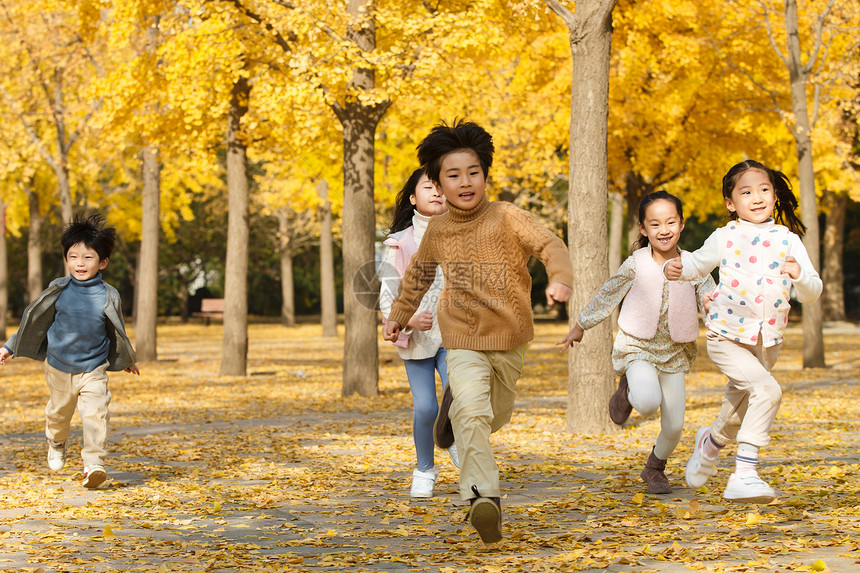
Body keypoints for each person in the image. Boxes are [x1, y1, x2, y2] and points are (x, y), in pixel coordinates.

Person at [382, 119, 573, 544]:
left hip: (511, 336)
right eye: (453, 175)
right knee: (472, 413)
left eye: (473, 172)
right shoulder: (438, 231)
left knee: (492, 416)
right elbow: (417, 277)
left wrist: (559, 278)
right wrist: (398, 314)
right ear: (437, 182)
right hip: (462, 337)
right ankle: (483, 498)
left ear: (485, 175)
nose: (465, 182)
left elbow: (550, 245)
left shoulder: (507, 216)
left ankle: (457, 415)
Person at [664, 160, 822, 504]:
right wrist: (677, 266)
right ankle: (745, 474)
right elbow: (697, 263)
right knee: (767, 391)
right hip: (726, 335)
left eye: (764, 190)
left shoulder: (788, 240)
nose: (757, 197)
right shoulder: (725, 236)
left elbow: (812, 292)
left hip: (768, 341)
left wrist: (799, 276)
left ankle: (711, 441)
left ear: (775, 195)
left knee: (742, 402)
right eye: (746, 192)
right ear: (730, 202)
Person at [557, 191, 715, 494]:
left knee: (674, 426)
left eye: (671, 222)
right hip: (637, 347)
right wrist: (581, 325)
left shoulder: (694, 265)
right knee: (646, 401)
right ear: (643, 229)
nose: (664, 230)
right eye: (655, 224)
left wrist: (719, 317)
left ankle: (654, 468)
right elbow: (608, 294)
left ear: (682, 224)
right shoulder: (636, 264)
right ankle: (627, 387)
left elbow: (712, 301)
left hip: (674, 352)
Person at [0, 213, 139, 489]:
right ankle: (56, 442)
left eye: (88, 257)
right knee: (59, 414)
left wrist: (126, 358)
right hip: (59, 366)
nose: (80, 263)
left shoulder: (109, 294)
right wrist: (9, 346)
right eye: (73, 256)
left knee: (95, 413)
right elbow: (34, 321)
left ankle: (94, 465)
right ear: (66, 260)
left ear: (103, 262)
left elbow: (116, 329)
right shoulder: (58, 289)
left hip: (93, 368)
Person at [378, 167, 460, 499]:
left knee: (463, 397)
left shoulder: (462, 233)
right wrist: (408, 319)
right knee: (426, 408)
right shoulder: (399, 244)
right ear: (414, 197)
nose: (438, 192)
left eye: (443, 187)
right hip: (417, 340)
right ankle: (424, 469)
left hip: (455, 336)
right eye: (430, 187)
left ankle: (456, 441)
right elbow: (386, 295)